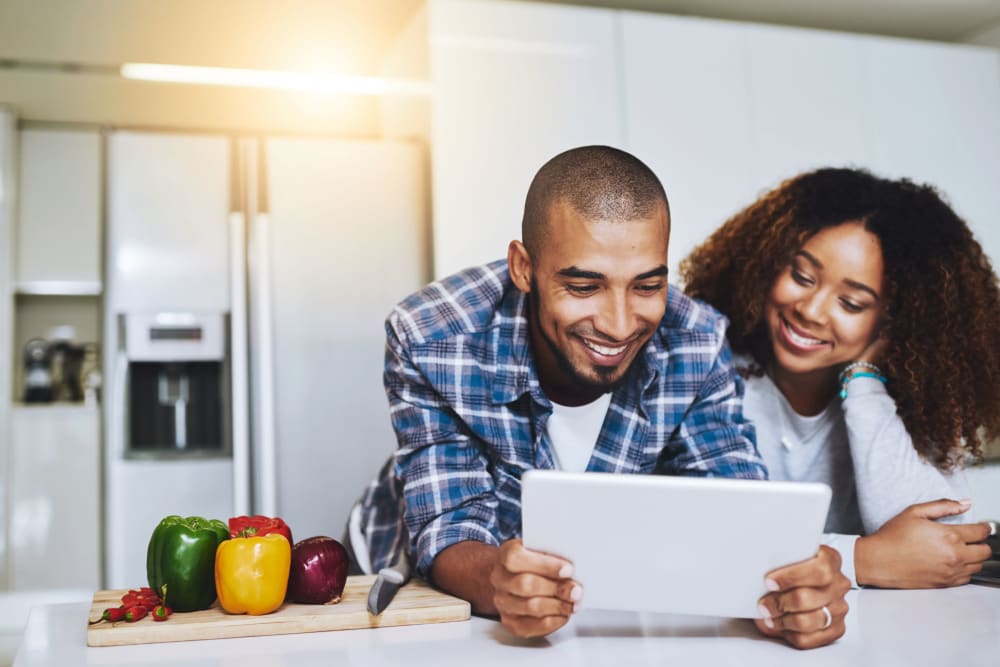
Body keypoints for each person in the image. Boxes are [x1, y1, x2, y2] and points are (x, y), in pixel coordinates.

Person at [352, 146, 849, 649]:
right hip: (397, 579)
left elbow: (741, 509)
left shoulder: (695, 341)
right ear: (523, 268)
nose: (618, 324)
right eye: (585, 286)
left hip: (594, 622)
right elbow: (450, 525)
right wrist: (500, 584)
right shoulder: (433, 336)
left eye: (647, 285)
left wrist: (797, 590)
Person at [680, 167, 999, 590]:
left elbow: (942, 549)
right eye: (801, 277)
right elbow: (697, 540)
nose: (811, 310)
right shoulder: (708, 373)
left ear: (893, 322)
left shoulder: (914, 406)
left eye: (850, 303)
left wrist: (863, 379)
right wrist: (862, 559)